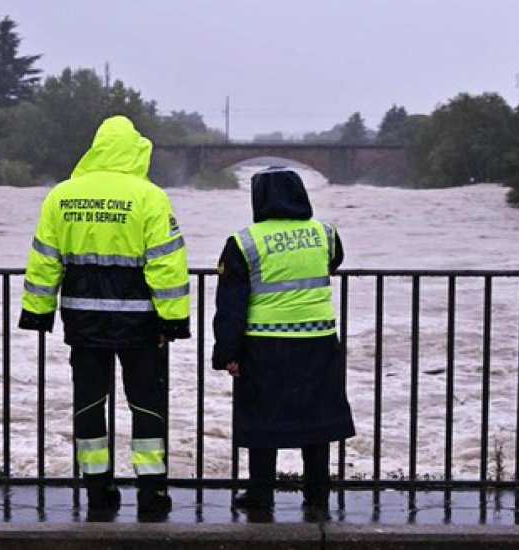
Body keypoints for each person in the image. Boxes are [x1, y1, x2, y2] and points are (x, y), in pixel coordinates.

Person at [18, 116, 190, 517]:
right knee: (146, 405)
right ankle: (151, 492)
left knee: (89, 404)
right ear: (135, 149)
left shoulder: (62, 196)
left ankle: (98, 488)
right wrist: (173, 320)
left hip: (83, 321)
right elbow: (166, 265)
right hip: (141, 325)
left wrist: (38, 312)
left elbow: (45, 260)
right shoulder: (150, 197)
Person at [212, 166, 355, 521]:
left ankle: (260, 493)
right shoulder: (325, 233)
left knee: (262, 421)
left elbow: (231, 305)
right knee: (317, 419)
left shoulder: (245, 242)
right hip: (318, 341)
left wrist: (227, 353)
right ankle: (317, 494)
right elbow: (334, 262)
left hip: (264, 345)